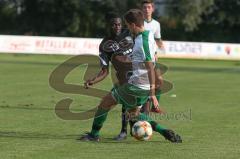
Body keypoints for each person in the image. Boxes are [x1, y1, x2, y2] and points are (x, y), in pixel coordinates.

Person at [80, 9, 182, 143]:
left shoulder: (141, 43)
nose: (125, 28)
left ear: (133, 25)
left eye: (127, 25)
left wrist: (152, 94)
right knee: (133, 114)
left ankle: (94, 135)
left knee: (105, 104)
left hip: (137, 86)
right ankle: (164, 131)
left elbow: (150, 66)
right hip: (139, 85)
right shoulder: (148, 35)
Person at [83, 12, 134, 141]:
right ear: (108, 26)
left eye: (119, 24)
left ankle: (100, 134)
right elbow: (104, 71)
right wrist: (93, 81)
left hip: (139, 76)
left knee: (130, 107)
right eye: (113, 25)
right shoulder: (105, 45)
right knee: (118, 104)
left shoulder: (130, 33)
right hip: (124, 79)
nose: (117, 27)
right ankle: (123, 131)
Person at [141, 0, 164, 114]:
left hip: (152, 58)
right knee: (141, 83)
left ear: (152, 9)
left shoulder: (156, 24)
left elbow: (157, 39)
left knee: (159, 81)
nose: (146, 9)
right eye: (144, 7)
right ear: (142, 9)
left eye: (148, 7)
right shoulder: (139, 23)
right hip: (140, 58)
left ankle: (154, 107)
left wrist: (157, 50)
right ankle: (138, 105)